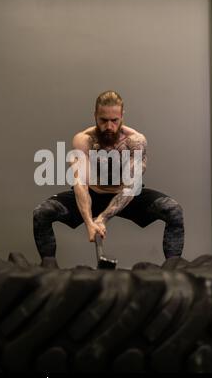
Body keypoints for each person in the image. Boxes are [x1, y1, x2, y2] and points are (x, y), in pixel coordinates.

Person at [33, 90, 184, 268]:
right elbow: (80, 183)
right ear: (95, 116)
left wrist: (102, 218)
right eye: (103, 120)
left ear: (122, 116)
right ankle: (49, 273)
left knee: (173, 210)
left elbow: (130, 188)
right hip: (92, 193)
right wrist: (90, 222)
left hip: (127, 196)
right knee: (42, 212)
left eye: (115, 120)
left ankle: (174, 275)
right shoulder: (84, 140)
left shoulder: (135, 141)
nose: (109, 126)